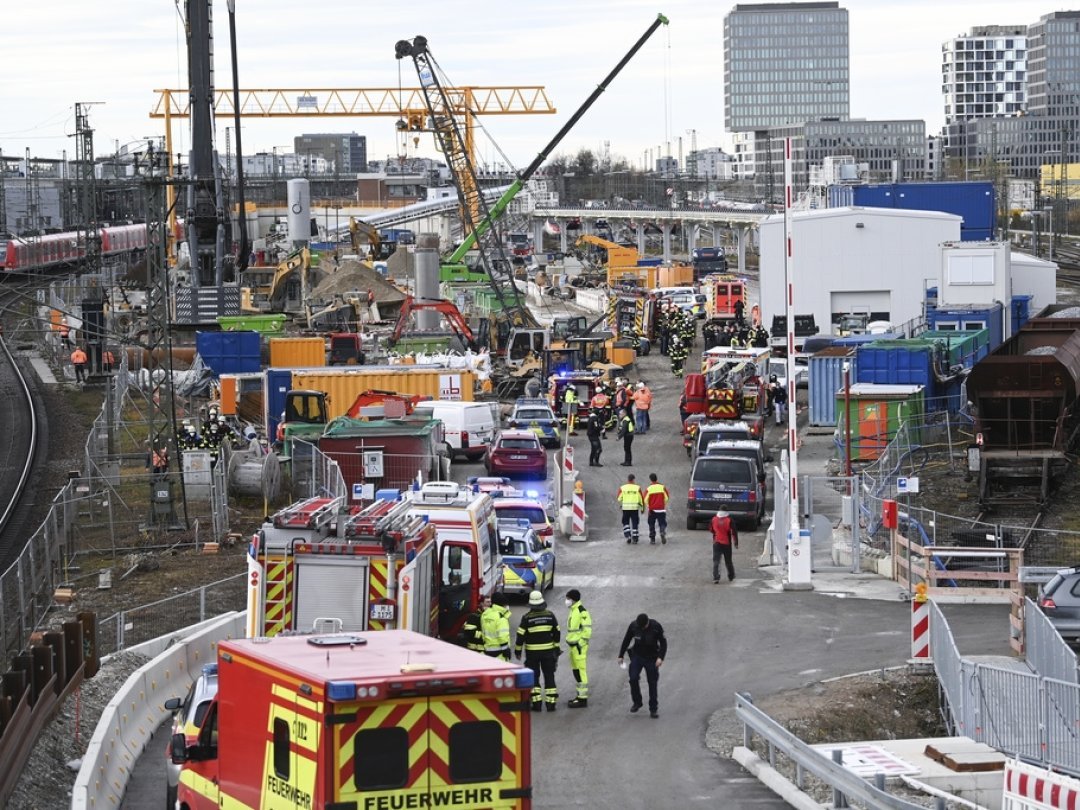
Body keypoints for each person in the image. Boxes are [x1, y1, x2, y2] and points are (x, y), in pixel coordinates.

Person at [514, 590, 561, 711]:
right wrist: (556, 647)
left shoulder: (526, 618)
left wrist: (518, 651)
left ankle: (537, 703)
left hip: (532, 654)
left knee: (534, 677)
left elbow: (520, 636)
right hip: (548, 653)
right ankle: (551, 704)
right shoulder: (550, 615)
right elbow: (557, 632)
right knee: (549, 676)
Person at [617, 613, 667, 719]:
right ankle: (637, 702)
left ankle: (653, 709)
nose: (642, 628)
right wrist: (620, 655)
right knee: (633, 678)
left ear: (647, 623)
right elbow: (626, 640)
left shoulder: (656, 627)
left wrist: (660, 658)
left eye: (644, 626)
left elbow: (663, 643)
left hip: (652, 658)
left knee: (652, 683)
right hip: (638, 656)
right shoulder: (634, 626)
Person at [564, 589, 592, 708]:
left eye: (568, 598)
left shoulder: (582, 611)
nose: (567, 601)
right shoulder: (573, 610)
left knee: (581, 671)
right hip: (573, 646)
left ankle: (582, 698)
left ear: (573, 599)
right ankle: (579, 696)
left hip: (578, 647)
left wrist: (580, 644)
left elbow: (587, 631)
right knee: (576, 671)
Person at [481, 592, 512, 661]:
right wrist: (506, 651)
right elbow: (503, 637)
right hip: (499, 653)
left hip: (487, 650)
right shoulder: (501, 617)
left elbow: (483, 632)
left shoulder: (485, 614)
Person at [710, 509, 739, 583]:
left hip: (716, 542)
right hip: (727, 543)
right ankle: (731, 576)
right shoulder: (729, 520)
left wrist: (715, 534)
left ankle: (716, 577)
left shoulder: (714, 519)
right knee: (728, 561)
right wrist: (736, 543)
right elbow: (734, 532)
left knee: (716, 561)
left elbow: (711, 529)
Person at [617, 473, 644, 544]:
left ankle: (628, 535)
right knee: (635, 522)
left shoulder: (622, 488)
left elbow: (619, 498)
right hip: (634, 509)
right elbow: (641, 499)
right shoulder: (637, 488)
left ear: (628, 480)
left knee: (625, 522)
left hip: (625, 508)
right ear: (633, 480)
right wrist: (642, 508)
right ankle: (635, 538)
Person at [645, 473, 670, 545]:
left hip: (652, 510)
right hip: (661, 509)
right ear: (656, 478)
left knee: (651, 523)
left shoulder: (649, 488)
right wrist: (662, 503)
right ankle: (662, 531)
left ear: (650, 479)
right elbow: (667, 497)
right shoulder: (662, 487)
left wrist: (649, 506)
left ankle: (652, 539)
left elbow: (645, 499)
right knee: (662, 523)